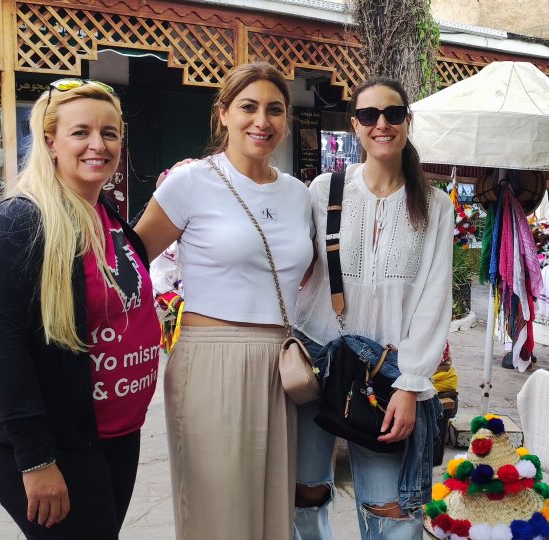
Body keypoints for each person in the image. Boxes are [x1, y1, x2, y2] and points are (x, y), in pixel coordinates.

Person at [134, 62, 314, 539]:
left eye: (275, 109)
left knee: (271, 514)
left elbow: (308, 279)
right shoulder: (191, 182)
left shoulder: (298, 195)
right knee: (218, 515)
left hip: (280, 366)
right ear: (223, 114)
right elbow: (131, 264)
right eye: (248, 107)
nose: (262, 121)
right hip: (212, 360)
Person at [0, 79, 160, 539]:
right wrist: (37, 460)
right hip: (57, 444)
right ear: (51, 141)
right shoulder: (20, 221)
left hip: (115, 434)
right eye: (81, 132)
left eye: (110, 133)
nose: (99, 144)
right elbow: (1, 351)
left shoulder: (107, 214)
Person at [293, 77, 453, 539]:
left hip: (387, 373)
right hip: (317, 360)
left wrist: (411, 383)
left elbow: (434, 299)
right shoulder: (325, 190)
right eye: (369, 115)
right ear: (355, 125)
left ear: (407, 121)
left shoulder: (435, 205)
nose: (381, 124)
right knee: (306, 492)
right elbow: (288, 260)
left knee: (391, 509)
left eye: (393, 114)